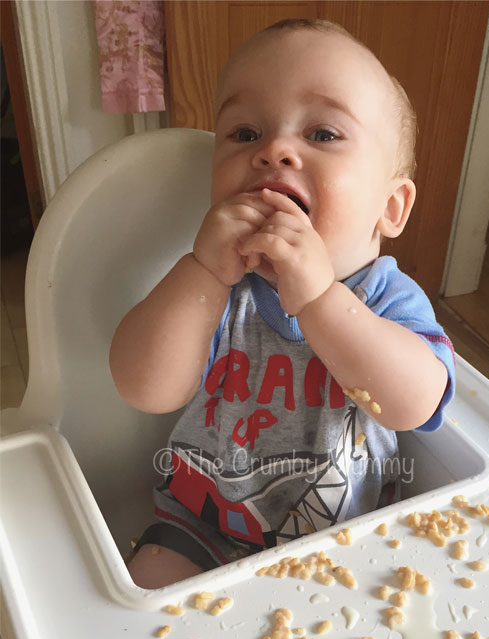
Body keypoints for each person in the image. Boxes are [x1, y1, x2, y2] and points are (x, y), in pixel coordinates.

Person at [110, 18, 455, 589]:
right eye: (245, 133)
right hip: (201, 526)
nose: (274, 152)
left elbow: (413, 404)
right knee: (145, 613)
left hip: (349, 543)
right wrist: (202, 272)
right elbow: (144, 389)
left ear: (391, 208)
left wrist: (320, 298)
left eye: (322, 134)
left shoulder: (386, 300)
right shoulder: (217, 291)